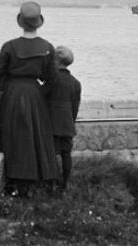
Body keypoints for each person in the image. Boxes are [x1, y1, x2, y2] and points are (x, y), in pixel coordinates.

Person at [0, 1, 60, 196]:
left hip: (12, 94)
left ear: (20, 21)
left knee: (11, 136)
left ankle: (12, 180)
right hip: (33, 93)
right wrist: (39, 94)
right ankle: (36, 179)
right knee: (35, 137)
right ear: (39, 23)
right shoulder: (47, 47)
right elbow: (52, 78)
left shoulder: (9, 46)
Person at [45, 46, 82, 190]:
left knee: (51, 154)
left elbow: (42, 95)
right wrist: (71, 122)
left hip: (51, 123)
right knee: (66, 154)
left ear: (56, 61)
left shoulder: (53, 79)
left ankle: (51, 182)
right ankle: (64, 183)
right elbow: (75, 106)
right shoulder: (75, 83)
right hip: (67, 124)